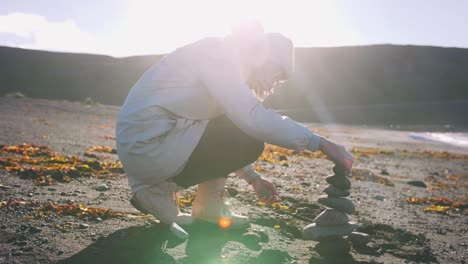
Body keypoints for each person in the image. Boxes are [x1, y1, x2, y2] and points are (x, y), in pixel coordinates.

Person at [116, 21, 353, 239]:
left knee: (235, 128)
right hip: (149, 148)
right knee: (248, 137)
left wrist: (254, 179)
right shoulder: (219, 54)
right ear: (262, 56)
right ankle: (156, 191)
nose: (273, 83)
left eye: (280, 80)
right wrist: (320, 142)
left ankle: (208, 207)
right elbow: (249, 119)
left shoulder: (226, 62)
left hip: (154, 144)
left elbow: (221, 131)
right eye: (275, 72)